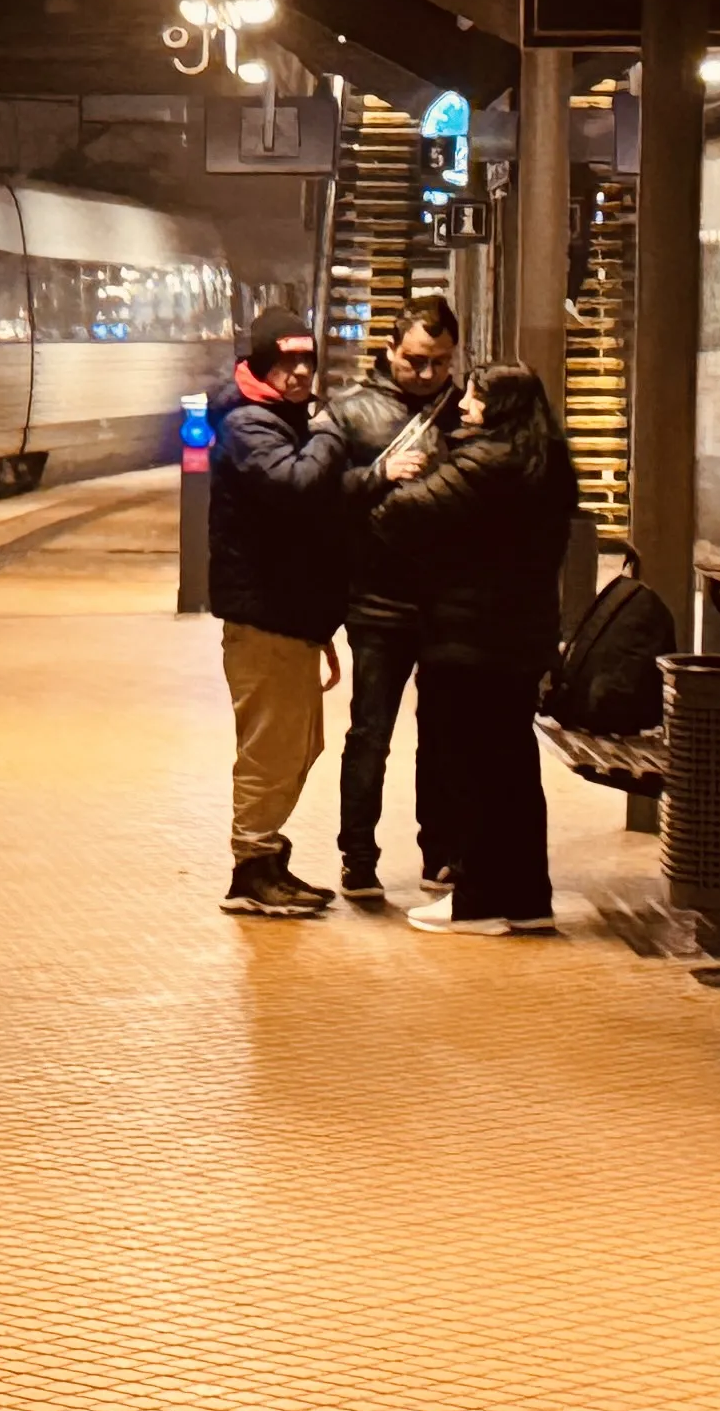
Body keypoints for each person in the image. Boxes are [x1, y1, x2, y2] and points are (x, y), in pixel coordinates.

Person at [364, 363, 581, 934]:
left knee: (473, 772)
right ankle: (527, 899)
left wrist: (396, 479)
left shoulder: (487, 462)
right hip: (518, 639)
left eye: (477, 398)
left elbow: (397, 515)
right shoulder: (546, 462)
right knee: (512, 772)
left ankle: (479, 901)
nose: (463, 406)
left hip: (470, 640)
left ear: (501, 407)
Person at [208, 306, 347, 917]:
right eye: (285, 361)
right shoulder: (249, 425)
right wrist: (330, 432)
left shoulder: (281, 417)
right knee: (271, 746)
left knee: (299, 744)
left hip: (288, 615)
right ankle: (251, 869)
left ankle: (267, 859)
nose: (298, 372)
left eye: (306, 361)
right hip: (264, 618)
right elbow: (297, 486)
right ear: (260, 362)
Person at [327, 296, 464, 902]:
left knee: (443, 734)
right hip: (376, 599)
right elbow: (323, 494)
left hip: (447, 600)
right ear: (389, 351)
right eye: (415, 361)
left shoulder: (466, 411)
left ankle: (440, 853)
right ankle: (358, 856)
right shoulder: (351, 413)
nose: (428, 374)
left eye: (439, 362)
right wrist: (380, 476)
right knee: (371, 731)